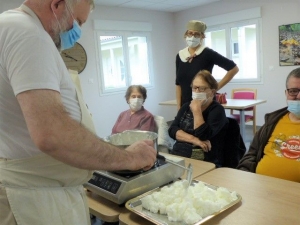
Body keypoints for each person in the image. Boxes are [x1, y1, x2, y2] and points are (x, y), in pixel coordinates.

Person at [0, 1, 157, 225]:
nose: (77, 32)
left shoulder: (10, 25)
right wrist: (130, 158)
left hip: (41, 191)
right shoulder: (28, 33)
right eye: (78, 22)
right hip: (34, 200)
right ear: (57, 5)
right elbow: (53, 135)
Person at [237, 68, 300, 182]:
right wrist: (244, 178)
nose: (299, 96)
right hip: (259, 188)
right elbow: (251, 155)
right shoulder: (272, 121)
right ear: (286, 93)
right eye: (293, 91)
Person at [168, 70, 228, 167]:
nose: (196, 92)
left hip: (205, 159)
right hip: (179, 154)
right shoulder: (186, 107)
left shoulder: (217, 110)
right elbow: (172, 130)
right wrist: (195, 140)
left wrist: (196, 110)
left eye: (202, 89)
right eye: (194, 88)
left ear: (212, 92)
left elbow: (204, 135)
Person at [175, 20, 239, 110]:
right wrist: (179, 106)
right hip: (186, 106)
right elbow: (178, 84)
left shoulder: (207, 53)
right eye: (190, 33)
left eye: (196, 34)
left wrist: (215, 89)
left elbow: (234, 68)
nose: (192, 37)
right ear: (186, 35)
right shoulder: (180, 55)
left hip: (205, 105)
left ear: (202, 36)